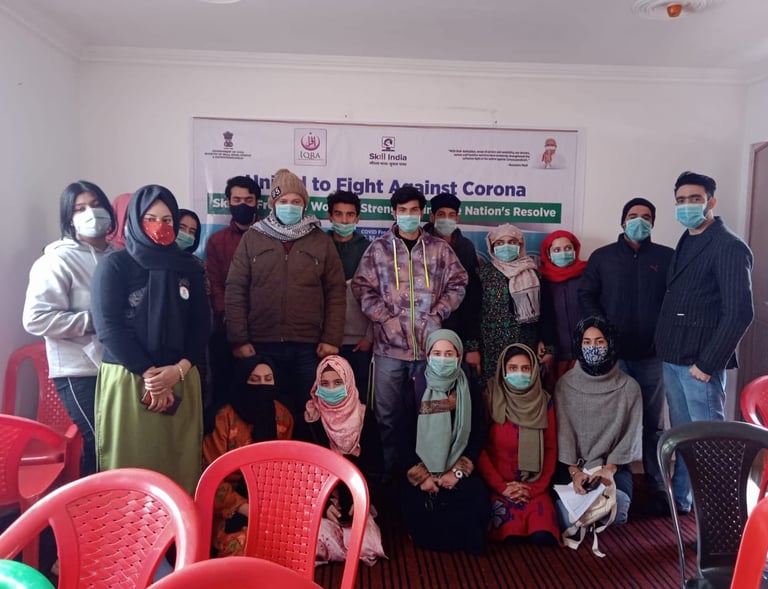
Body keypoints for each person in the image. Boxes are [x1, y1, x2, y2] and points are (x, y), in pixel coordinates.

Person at [90, 185, 210, 495]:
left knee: (178, 465)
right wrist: (151, 375)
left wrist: (178, 370)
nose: (160, 226)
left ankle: (180, 526)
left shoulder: (189, 267)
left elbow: (201, 325)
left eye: (167, 220)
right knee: (129, 469)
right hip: (130, 378)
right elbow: (109, 327)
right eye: (151, 218)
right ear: (134, 220)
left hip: (180, 376)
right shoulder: (115, 266)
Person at [655, 171, 754, 514]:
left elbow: (740, 313)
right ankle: (684, 501)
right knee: (684, 436)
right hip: (673, 357)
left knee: (710, 445)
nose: (686, 206)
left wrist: (707, 363)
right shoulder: (688, 238)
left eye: (694, 199)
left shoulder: (729, 246)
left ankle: (719, 518)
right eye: (680, 200)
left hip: (699, 365)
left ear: (711, 201)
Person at [352, 186, 467, 470]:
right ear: (394, 213)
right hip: (389, 351)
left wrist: (438, 313)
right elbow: (361, 287)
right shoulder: (378, 249)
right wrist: (385, 318)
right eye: (402, 210)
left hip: (430, 353)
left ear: (421, 213)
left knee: (428, 415)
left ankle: (425, 472)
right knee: (387, 417)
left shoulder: (439, 249)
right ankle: (391, 475)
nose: (408, 215)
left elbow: (458, 282)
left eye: (414, 210)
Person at [225, 168, 346, 438]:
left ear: (304, 205)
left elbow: (336, 292)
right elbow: (235, 289)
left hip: (309, 347)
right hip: (261, 344)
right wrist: (239, 339)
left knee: (310, 413)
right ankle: (268, 464)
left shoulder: (320, 240)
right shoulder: (253, 238)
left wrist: (331, 338)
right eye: (283, 201)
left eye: (296, 201)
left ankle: (309, 463)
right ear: (273, 204)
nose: (289, 206)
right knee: (263, 414)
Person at [577, 198, 673, 513]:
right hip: (613, 358)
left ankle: (658, 485)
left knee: (652, 424)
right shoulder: (603, 257)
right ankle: (617, 485)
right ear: (622, 221)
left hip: (651, 356)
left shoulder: (666, 257)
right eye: (633, 216)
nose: (639, 221)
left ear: (653, 223)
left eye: (646, 217)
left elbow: (676, 301)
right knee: (613, 424)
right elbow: (586, 295)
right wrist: (602, 331)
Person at [22, 180, 116, 477]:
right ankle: (93, 501)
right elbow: (36, 318)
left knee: (116, 441)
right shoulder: (56, 260)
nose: (91, 213)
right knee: (100, 441)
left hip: (116, 367)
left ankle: (115, 500)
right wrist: (94, 321)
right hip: (78, 371)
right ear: (69, 218)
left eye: (96, 205)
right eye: (80, 208)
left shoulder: (117, 257)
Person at [397, 330, 488, 553]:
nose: (443, 359)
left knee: (473, 530)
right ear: (428, 356)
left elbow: (478, 432)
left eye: (449, 354)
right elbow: (402, 436)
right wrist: (423, 477)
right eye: (437, 353)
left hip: (455, 470)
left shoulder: (468, 387)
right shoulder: (415, 386)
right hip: (422, 471)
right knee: (426, 531)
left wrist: (457, 472)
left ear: (459, 357)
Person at [554, 316, 642, 528]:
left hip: (613, 468)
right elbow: (563, 434)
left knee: (617, 511)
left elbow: (630, 437)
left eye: (599, 342)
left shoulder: (629, 387)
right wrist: (576, 473)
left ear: (610, 344)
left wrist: (608, 469)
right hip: (573, 468)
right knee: (567, 519)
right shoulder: (564, 385)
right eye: (587, 342)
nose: (593, 347)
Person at [202, 356, 293, 557]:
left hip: (270, 500)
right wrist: (248, 509)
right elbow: (210, 478)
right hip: (230, 505)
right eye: (254, 380)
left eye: (268, 379)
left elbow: (286, 470)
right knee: (243, 545)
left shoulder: (282, 416)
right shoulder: (224, 417)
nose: (262, 386)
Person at [305, 355, 386, 565]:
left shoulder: (364, 416)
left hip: (356, 496)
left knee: (365, 545)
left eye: (337, 382)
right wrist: (323, 504)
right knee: (311, 542)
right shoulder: (311, 417)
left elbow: (375, 466)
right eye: (325, 384)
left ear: (349, 382)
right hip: (321, 499)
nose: (331, 389)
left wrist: (359, 500)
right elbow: (305, 470)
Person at [478, 344, 558, 545]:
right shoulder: (490, 397)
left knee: (543, 537)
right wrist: (501, 486)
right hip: (500, 488)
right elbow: (480, 448)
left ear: (534, 371)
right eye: (513, 368)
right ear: (503, 370)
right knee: (510, 537)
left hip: (534, 486)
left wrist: (535, 488)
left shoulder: (544, 401)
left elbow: (550, 448)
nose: (519, 373)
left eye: (525, 368)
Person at [206, 176, 261, 415]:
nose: (242, 205)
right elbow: (215, 285)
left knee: (262, 394)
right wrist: (231, 321)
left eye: (248, 200)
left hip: (263, 330)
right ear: (228, 202)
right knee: (224, 394)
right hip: (226, 331)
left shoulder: (270, 237)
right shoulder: (217, 241)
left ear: (257, 202)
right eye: (237, 199)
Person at [477, 223, 547, 381]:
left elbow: (546, 313)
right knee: (493, 388)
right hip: (490, 346)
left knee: (522, 385)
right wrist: (472, 348)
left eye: (512, 242)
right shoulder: (482, 274)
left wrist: (547, 343)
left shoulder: (534, 274)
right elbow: (472, 313)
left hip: (525, 343)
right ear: (491, 247)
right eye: (500, 243)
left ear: (520, 245)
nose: (506, 246)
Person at [423, 192, 482, 375]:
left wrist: (471, 345)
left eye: (451, 215)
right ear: (432, 217)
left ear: (457, 218)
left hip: (458, 327)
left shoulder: (465, 247)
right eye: (441, 214)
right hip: (423, 327)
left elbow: (472, 296)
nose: (446, 219)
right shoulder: (420, 244)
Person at [326, 190, 373, 402]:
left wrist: (369, 337)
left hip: (359, 341)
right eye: (338, 214)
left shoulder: (370, 250)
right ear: (330, 217)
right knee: (327, 398)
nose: (344, 220)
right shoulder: (319, 246)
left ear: (358, 218)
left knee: (358, 399)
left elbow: (378, 297)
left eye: (350, 214)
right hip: (324, 341)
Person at [538, 229, 587, 392]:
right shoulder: (540, 279)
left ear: (575, 249)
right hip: (555, 355)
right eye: (557, 250)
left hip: (584, 354)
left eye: (567, 248)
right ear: (548, 254)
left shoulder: (588, 275)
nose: (563, 253)